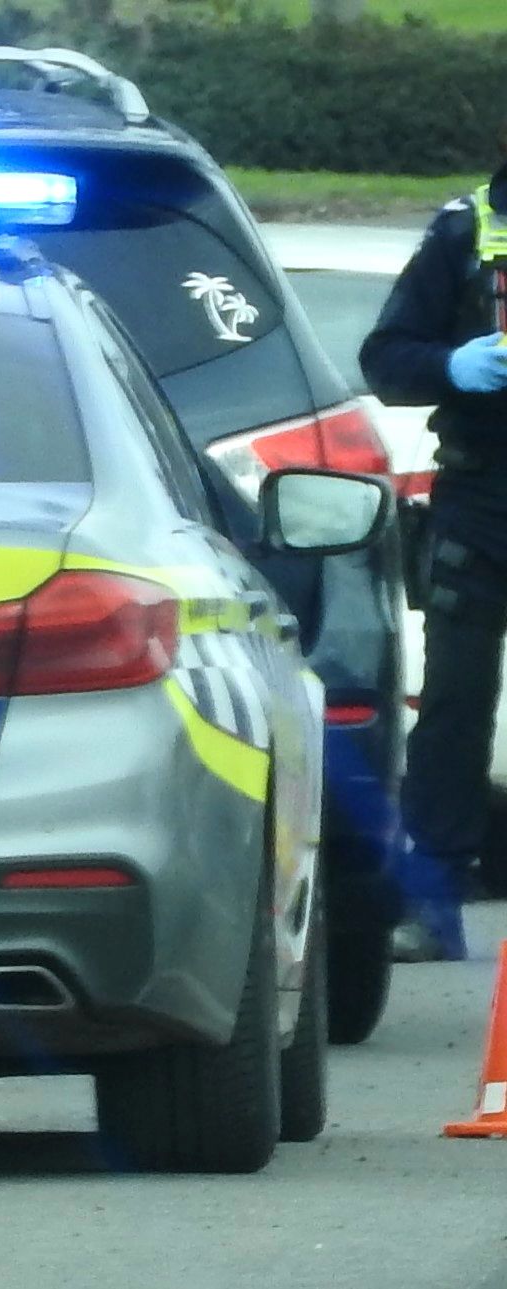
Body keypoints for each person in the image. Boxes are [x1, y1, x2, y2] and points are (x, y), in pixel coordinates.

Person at [360, 146, 507, 962]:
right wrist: (450, 365)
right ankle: (432, 901)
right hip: (482, 498)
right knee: (454, 702)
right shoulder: (464, 231)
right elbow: (387, 359)